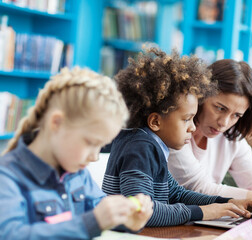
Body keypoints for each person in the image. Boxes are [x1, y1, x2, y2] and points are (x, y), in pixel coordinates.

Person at [103, 48, 252, 227]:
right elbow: (142, 213)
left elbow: (177, 194)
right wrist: (203, 212)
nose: (192, 127)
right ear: (155, 121)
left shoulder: (152, 145)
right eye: (186, 119)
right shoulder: (140, 148)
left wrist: (227, 202)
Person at [0, 68, 153, 239]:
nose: (94, 157)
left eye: (101, 146)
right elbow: (11, 235)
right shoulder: (6, 177)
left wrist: (128, 218)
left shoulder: (78, 174)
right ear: (56, 123)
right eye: (90, 143)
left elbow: (102, 209)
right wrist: (91, 223)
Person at [168, 59, 252, 208]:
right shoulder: (176, 131)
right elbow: (199, 189)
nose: (224, 123)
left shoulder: (230, 136)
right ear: (202, 96)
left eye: (236, 115)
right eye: (220, 108)